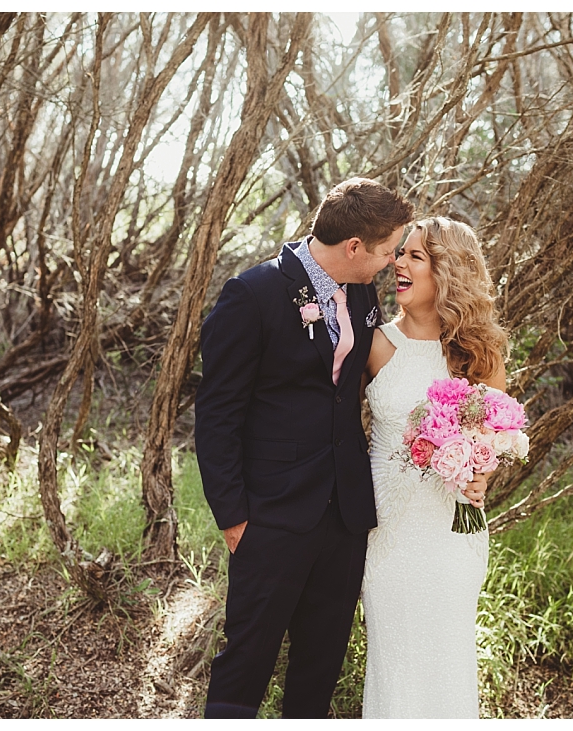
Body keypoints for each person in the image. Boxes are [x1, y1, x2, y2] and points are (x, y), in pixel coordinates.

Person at [194, 178, 414, 718]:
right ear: (354, 246)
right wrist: (233, 516)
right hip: (270, 514)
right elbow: (217, 413)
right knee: (247, 660)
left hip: (345, 514)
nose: (392, 262)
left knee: (321, 663)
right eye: (388, 251)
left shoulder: (361, 291)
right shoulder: (252, 294)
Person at [360, 216, 509, 718]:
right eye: (399, 252)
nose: (398, 263)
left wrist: (483, 470)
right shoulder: (374, 345)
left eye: (415, 256)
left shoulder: (478, 354)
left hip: (451, 531)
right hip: (387, 533)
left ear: (447, 271)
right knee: (393, 665)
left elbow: (497, 434)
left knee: (446, 661)